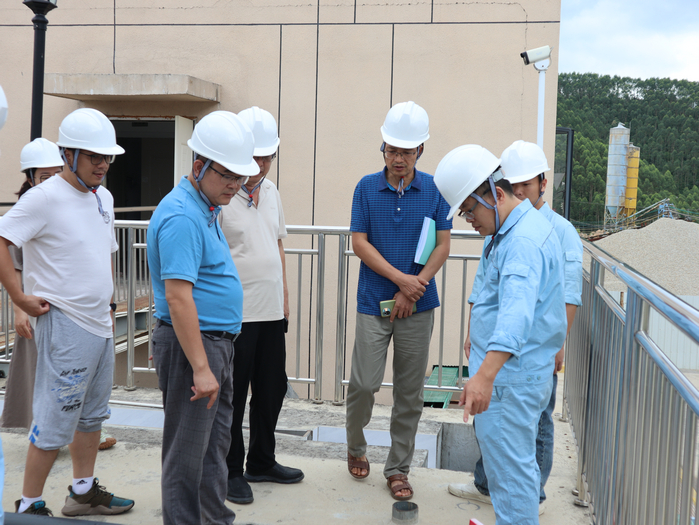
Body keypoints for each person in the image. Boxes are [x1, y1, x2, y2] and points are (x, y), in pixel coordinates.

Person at [0, 108, 134, 517]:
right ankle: (29, 506)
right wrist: (19, 298)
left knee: (92, 415)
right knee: (55, 417)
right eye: (94, 156)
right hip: (64, 323)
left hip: (99, 323)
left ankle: (82, 492)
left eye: (107, 157)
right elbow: (2, 239)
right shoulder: (43, 197)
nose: (102, 164)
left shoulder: (102, 197)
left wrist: (110, 301)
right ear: (68, 155)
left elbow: (105, 251)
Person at [434, 144, 567, 525]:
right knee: (513, 470)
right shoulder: (515, 230)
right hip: (517, 376)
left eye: (469, 210)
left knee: (510, 477)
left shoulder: (521, 242)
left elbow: (515, 318)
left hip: (510, 380)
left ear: (495, 194)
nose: (469, 221)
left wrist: (484, 376)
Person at [147, 110, 259, 525]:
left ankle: (214, 519)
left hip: (213, 344)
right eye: (227, 175)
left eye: (240, 177)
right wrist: (199, 367)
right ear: (199, 166)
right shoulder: (182, 216)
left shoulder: (205, 207)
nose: (235, 184)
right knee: (187, 452)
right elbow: (178, 298)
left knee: (214, 447)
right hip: (196, 347)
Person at [345, 101, 452, 501]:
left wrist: (413, 287)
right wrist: (400, 280)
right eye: (392, 150)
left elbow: (443, 245)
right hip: (373, 300)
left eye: (407, 151)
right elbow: (359, 243)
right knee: (363, 384)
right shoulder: (365, 188)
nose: (399, 158)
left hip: (418, 304)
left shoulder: (436, 190)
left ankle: (398, 469)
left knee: (409, 392)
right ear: (383, 147)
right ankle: (355, 447)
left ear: (420, 150)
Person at [219, 106, 302, 505]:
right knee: (234, 396)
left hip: (270, 311)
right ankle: (231, 470)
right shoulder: (221, 195)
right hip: (236, 315)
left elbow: (277, 244)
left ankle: (262, 461)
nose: (261, 165)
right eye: (255, 157)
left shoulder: (271, 192)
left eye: (268, 157)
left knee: (272, 389)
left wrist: (284, 294)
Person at [1, 138, 64, 430]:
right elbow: (14, 262)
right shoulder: (29, 207)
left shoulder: (75, 201)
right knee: (35, 370)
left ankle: (79, 431)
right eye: (44, 176)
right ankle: (38, 430)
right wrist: (19, 307)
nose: (52, 181)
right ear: (30, 178)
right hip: (38, 304)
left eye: (57, 174)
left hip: (68, 304)